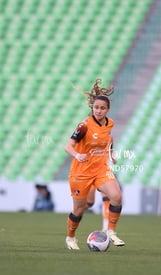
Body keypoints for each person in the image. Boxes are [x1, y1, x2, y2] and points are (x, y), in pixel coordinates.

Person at [64, 79, 124, 250]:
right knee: (79, 209)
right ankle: (70, 237)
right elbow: (68, 146)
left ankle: (111, 231)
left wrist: (111, 154)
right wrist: (77, 154)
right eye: (96, 107)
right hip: (81, 173)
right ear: (92, 108)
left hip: (100, 169)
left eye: (102, 108)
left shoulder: (109, 123)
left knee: (117, 197)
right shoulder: (84, 126)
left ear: (108, 109)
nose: (99, 110)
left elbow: (108, 139)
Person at [85, 136, 116, 231]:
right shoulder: (91, 139)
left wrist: (112, 158)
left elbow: (110, 150)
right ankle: (76, 212)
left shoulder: (109, 138)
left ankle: (105, 227)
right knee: (89, 203)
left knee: (107, 198)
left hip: (102, 173)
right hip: (90, 173)